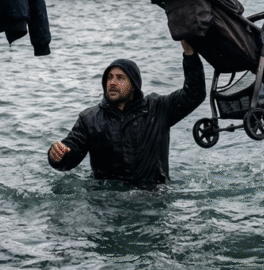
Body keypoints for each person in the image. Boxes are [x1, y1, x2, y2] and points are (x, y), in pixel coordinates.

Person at [48, 41, 206, 184]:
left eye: (120, 78)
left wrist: (190, 54)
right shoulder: (90, 119)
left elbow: (194, 93)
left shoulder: (158, 109)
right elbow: (70, 152)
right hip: (107, 199)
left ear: (134, 85)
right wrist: (57, 155)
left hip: (151, 195)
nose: (112, 83)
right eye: (109, 77)